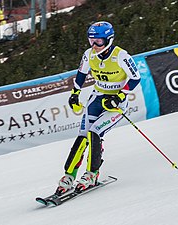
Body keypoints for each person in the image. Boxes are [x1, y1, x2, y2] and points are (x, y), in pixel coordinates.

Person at [56, 21, 141, 195]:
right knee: (82, 136)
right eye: (91, 41)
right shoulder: (89, 55)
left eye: (98, 42)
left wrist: (120, 95)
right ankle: (69, 176)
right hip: (96, 98)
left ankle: (92, 173)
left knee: (94, 133)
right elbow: (81, 74)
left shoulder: (121, 56)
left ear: (108, 40)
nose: (94, 46)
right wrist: (75, 94)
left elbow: (135, 78)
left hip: (115, 104)